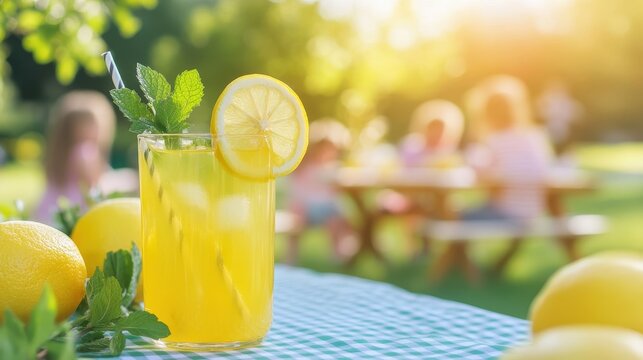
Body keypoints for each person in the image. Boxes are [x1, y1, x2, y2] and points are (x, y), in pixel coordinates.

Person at [463, 75, 554, 271]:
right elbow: (545, 172)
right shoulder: (534, 137)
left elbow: (481, 174)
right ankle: (492, 266)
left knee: (453, 216)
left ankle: (466, 268)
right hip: (533, 212)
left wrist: (472, 160)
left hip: (506, 213)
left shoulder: (495, 141)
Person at [34, 91, 116, 224]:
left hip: (49, 216)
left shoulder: (61, 155)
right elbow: (95, 187)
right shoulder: (84, 152)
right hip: (72, 219)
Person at [286, 119, 354, 263]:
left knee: (338, 217)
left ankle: (340, 252)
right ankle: (291, 257)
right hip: (306, 208)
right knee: (299, 220)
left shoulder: (333, 168)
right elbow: (296, 190)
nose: (327, 153)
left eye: (332, 150)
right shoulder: (304, 167)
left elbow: (337, 192)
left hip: (326, 209)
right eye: (324, 149)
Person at [399, 100, 465, 168]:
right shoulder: (412, 147)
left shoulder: (451, 155)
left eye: (440, 129)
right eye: (432, 128)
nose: (436, 133)